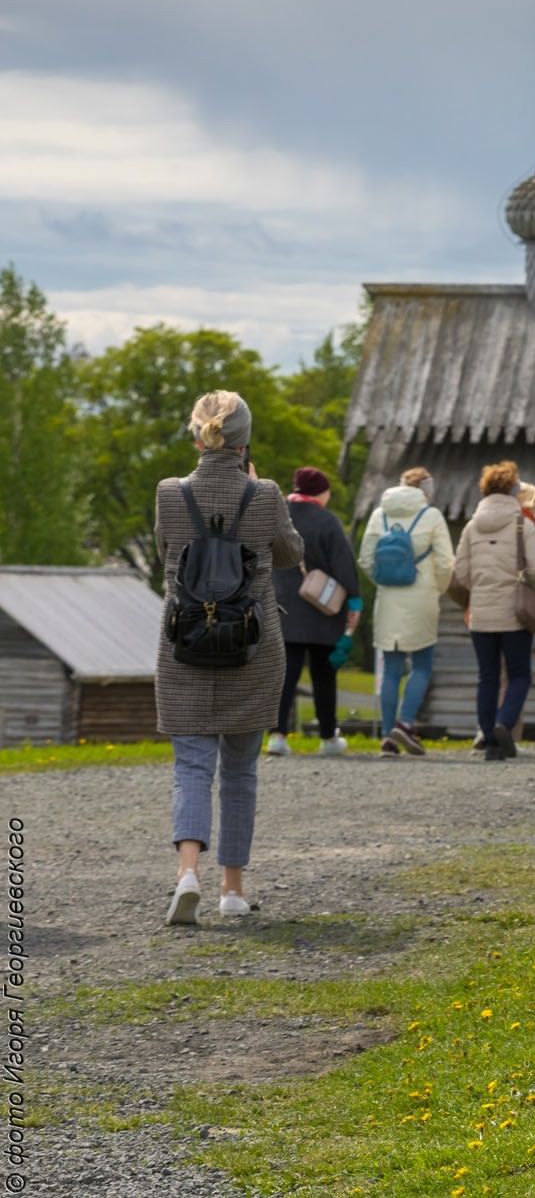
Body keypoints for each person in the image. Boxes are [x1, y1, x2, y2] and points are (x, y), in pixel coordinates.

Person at [156, 390, 303, 923]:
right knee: (240, 773)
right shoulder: (263, 494)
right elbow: (291, 554)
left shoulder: (170, 492)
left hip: (186, 645)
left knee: (191, 767)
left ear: (197, 436)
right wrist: (262, 496)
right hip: (252, 647)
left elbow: (165, 554)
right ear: (244, 440)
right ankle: (232, 891)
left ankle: (186, 874)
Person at [452, 460, 535, 760]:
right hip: (515, 615)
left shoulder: (470, 526)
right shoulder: (523, 524)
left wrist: (481, 587)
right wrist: (530, 582)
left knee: (487, 676)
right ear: (513, 489)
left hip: (480, 614)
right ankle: (505, 722)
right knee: (519, 675)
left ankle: (491, 740)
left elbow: (461, 572)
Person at [358, 466, 453, 756]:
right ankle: (406, 722)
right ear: (425, 489)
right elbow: (446, 563)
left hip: (388, 598)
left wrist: (384, 580)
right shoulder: (431, 516)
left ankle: (388, 736)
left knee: (392, 667)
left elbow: (365, 559)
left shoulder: (380, 515)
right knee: (422, 664)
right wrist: (437, 588)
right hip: (422, 595)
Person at [267, 467, 361, 757]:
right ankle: (328, 738)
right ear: (320, 491)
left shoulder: (277, 516)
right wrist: (355, 601)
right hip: (322, 609)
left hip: (283, 608)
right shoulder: (328, 522)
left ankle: (277, 736)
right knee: (324, 676)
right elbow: (344, 565)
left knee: (284, 676)